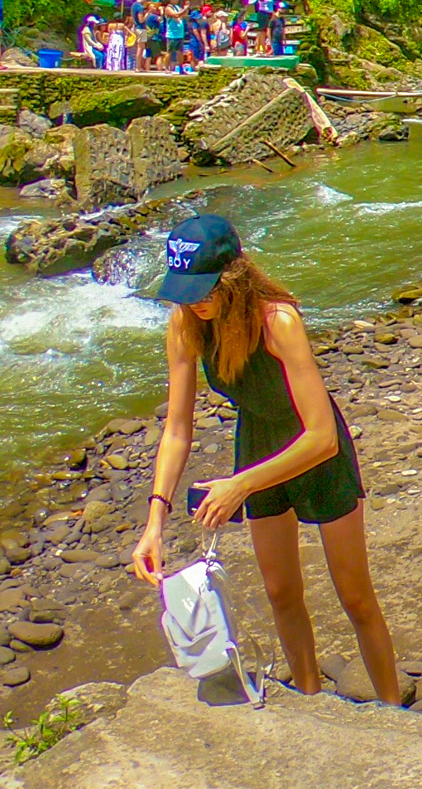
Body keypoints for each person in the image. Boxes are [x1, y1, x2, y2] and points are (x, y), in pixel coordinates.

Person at [129, 215, 401, 704]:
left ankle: (394, 710)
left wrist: (240, 485)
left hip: (316, 454)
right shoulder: (185, 325)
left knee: (356, 597)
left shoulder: (278, 322)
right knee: (280, 592)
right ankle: (310, 699)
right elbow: (177, 428)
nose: (195, 302)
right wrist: (155, 522)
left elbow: (322, 437)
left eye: (205, 290)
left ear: (234, 277)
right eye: (186, 292)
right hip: (257, 443)